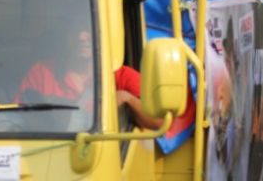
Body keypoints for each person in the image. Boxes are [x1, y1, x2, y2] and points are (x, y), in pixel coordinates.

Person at [17, 25, 162, 129]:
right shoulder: (42, 71)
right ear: (66, 36)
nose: (81, 37)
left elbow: (159, 122)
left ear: (103, 33)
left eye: (88, 28)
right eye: (75, 29)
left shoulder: (122, 75)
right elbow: (17, 117)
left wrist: (128, 99)